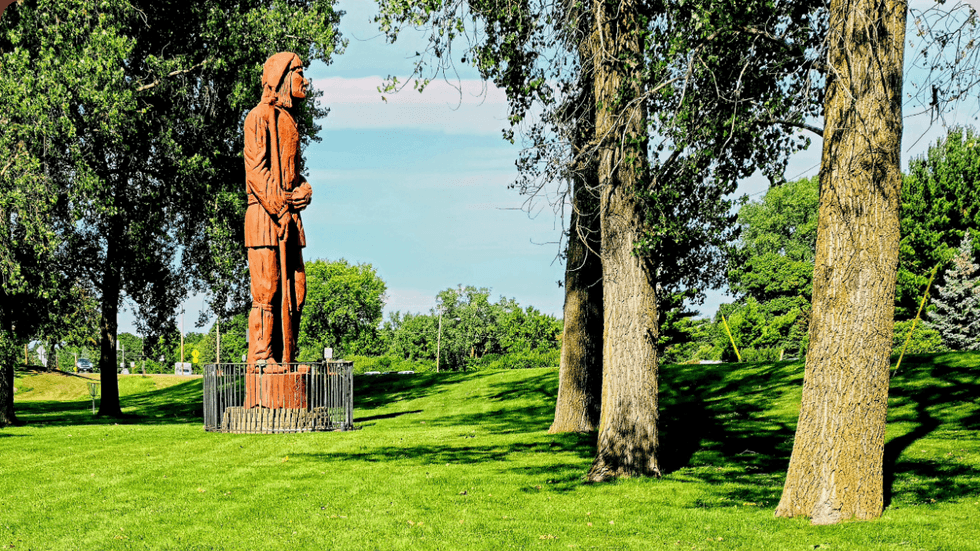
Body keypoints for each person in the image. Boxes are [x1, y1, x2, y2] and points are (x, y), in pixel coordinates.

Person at [243, 52, 312, 369]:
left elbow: (292, 174)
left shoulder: (288, 122)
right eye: (300, 72)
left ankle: (288, 356)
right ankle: (261, 357)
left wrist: (303, 190)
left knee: (296, 290)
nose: (305, 80)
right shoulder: (259, 117)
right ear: (282, 76)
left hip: (288, 219)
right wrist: (280, 209)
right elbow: (257, 173)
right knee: (268, 289)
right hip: (264, 217)